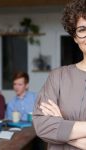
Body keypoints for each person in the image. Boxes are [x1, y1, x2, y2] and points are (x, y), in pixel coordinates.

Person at [33, 0, 86, 149]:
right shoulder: (57, 77)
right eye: (82, 29)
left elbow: (51, 129)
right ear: (75, 37)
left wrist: (61, 127)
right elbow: (42, 126)